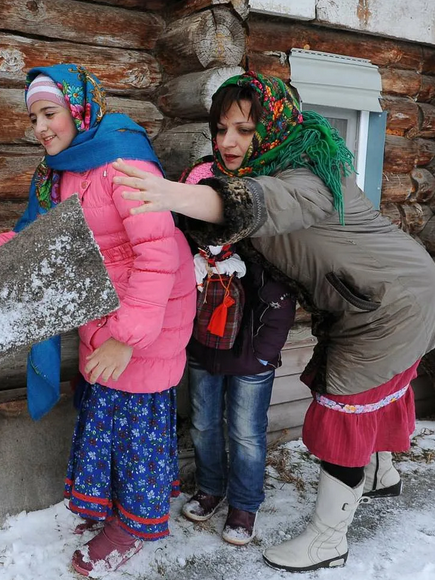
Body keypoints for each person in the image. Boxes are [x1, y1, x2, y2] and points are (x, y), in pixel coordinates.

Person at [111, 71, 435, 572]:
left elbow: (258, 202)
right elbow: (225, 205)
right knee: (367, 393)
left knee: (344, 406)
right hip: (378, 294)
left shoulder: (307, 175)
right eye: (221, 129)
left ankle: (329, 540)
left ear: (275, 123)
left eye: (243, 129)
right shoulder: (270, 163)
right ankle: (380, 474)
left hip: (391, 302)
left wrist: (169, 196)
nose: (228, 141)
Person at [0, 64, 196, 576]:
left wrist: (127, 340)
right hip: (104, 316)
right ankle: (114, 509)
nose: (41, 127)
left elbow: (158, 255)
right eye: (33, 118)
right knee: (105, 418)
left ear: (78, 108)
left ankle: (135, 524)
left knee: (135, 427)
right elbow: (36, 246)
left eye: (49, 113)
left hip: (146, 322)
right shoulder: (64, 174)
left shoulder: (125, 164)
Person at [178, 160, 297, 546]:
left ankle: (245, 503)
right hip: (203, 350)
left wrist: (265, 352)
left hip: (250, 354)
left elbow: (280, 299)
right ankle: (211, 488)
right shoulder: (189, 244)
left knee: (245, 432)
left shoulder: (258, 242)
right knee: (204, 424)